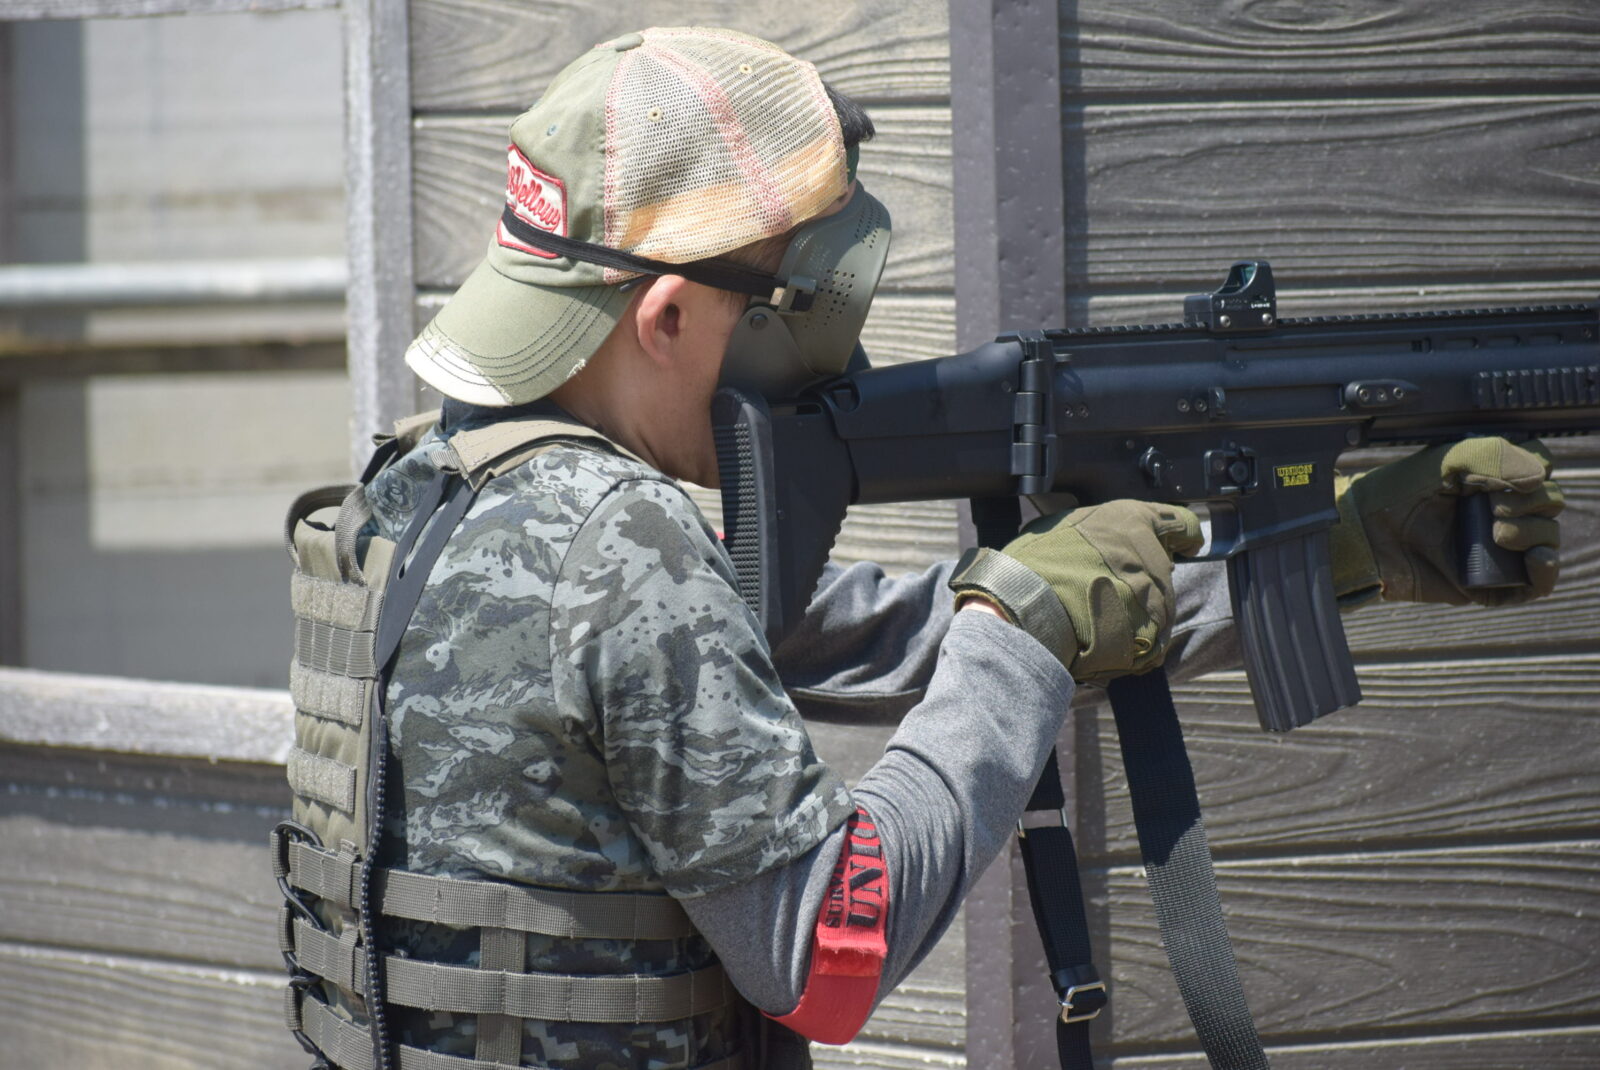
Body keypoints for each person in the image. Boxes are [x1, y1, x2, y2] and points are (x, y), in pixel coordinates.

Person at [281, 27, 1563, 1070]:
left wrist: (1337, 551)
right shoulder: (622, 546)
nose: (818, 349)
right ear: (665, 316)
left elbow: (891, 631)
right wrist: (1021, 633)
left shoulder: (424, 491)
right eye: (785, 300)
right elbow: (829, 951)